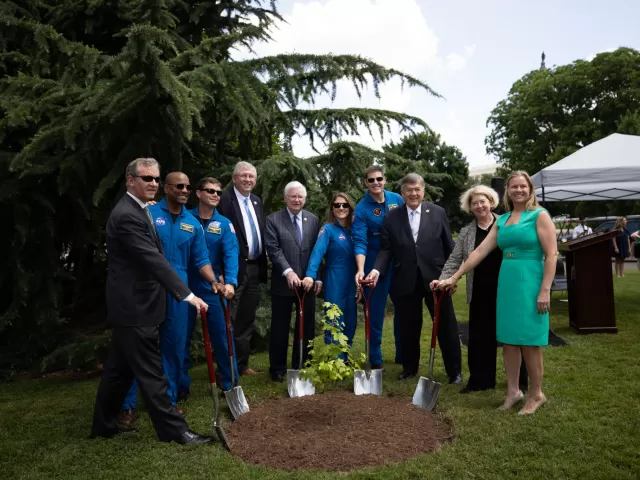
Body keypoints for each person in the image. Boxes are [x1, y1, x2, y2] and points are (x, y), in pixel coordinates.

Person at [90, 158, 211, 444]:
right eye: (147, 178)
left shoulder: (139, 209)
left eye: (156, 179)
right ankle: (175, 430)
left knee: (118, 372)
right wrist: (188, 294)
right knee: (152, 373)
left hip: (131, 306)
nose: (153, 184)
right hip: (135, 308)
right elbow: (153, 260)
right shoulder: (127, 215)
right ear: (130, 180)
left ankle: (103, 425)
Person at [438, 171, 557, 415]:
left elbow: (552, 254)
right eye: (514, 187)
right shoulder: (501, 222)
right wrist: (454, 276)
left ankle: (536, 394)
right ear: (508, 191)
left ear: (530, 189)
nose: (518, 190)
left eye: (523, 186)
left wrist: (545, 289)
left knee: (530, 342)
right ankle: (513, 392)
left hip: (531, 281)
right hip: (508, 283)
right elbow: (479, 252)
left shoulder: (539, 215)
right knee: (510, 341)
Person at [119, 172, 216, 423]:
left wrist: (215, 281)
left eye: (188, 186)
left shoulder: (192, 224)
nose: (185, 190)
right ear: (166, 188)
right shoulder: (149, 213)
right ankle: (127, 405)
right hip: (148, 288)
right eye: (179, 186)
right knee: (139, 347)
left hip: (180, 290)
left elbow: (201, 259)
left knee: (174, 347)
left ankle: (169, 402)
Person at [365, 173, 462, 384]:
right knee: (408, 328)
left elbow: (450, 248)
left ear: (423, 191)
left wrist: (452, 277)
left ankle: (454, 371)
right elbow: (385, 250)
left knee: (446, 326)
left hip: (436, 280)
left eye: (417, 189)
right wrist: (375, 271)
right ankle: (409, 369)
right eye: (409, 190)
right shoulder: (391, 217)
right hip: (405, 279)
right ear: (402, 193)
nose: (413, 193)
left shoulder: (437, 213)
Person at [433, 185, 528, 394]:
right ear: (470, 207)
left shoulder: (506, 223)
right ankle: (481, 381)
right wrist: (443, 280)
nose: (479, 206)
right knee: (480, 337)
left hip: (509, 287)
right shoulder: (467, 232)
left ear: (491, 202)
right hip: (480, 290)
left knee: (514, 335)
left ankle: (521, 381)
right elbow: (455, 259)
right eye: (474, 203)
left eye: (482, 201)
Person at [182, 177, 239, 397]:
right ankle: (180, 386)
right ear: (198, 193)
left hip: (214, 287)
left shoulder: (224, 224)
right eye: (210, 191)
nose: (215, 195)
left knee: (223, 337)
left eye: (218, 192)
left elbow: (231, 254)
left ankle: (230, 384)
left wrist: (231, 282)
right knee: (181, 336)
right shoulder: (184, 218)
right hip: (185, 286)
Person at [265, 181, 321, 382]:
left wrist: (316, 277)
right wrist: (287, 272)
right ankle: (278, 369)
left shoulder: (313, 220)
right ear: (285, 198)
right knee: (280, 327)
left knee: (306, 327)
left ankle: (302, 364)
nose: (297, 200)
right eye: (293, 196)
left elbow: (318, 250)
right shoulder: (273, 219)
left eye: (301, 197)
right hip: (284, 284)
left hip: (307, 284)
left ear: (305, 199)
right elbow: (273, 249)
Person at [218, 161, 267, 376]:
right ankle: (225, 370)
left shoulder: (256, 201)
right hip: (232, 269)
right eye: (244, 175)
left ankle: (242, 364)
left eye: (251, 176)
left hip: (254, 268)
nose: (248, 179)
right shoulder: (223, 200)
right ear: (234, 177)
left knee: (246, 319)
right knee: (229, 318)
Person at [353, 165, 404, 369]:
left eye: (379, 179)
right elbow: (359, 240)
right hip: (374, 262)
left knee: (404, 309)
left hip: (399, 261)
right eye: (371, 180)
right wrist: (361, 269)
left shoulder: (397, 200)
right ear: (365, 182)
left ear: (385, 179)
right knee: (374, 311)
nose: (376, 183)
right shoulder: (361, 208)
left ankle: (403, 353)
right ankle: (375, 356)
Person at [302, 192, 358, 353]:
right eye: (337, 205)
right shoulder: (327, 230)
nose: (341, 208)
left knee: (351, 320)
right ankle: (335, 359)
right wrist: (311, 275)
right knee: (334, 319)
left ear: (350, 207)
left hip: (353, 280)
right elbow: (317, 254)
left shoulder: (355, 229)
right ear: (332, 209)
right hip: (335, 279)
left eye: (344, 205)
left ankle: (344, 355)